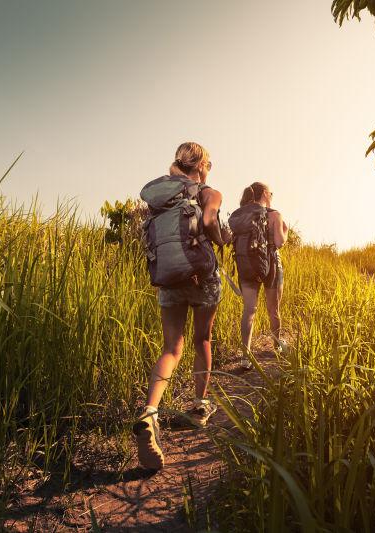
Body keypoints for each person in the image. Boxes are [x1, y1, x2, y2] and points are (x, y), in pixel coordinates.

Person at [133, 142, 232, 471]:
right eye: (209, 164)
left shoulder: (160, 194)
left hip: (168, 278)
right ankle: (200, 406)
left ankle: (149, 412)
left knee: (171, 348)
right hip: (202, 277)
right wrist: (222, 237)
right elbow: (209, 223)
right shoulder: (208, 191)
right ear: (201, 165)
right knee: (202, 339)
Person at [228, 182, 288, 370]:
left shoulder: (243, 215)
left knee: (249, 310)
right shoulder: (274, 215)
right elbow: (279, 242)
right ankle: (277, 344)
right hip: (270, 263)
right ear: (264, 193)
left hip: (246, 264)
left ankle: (245, 356)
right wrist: (285, 231)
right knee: (273, 309)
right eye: (271, 192)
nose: (272, 195)